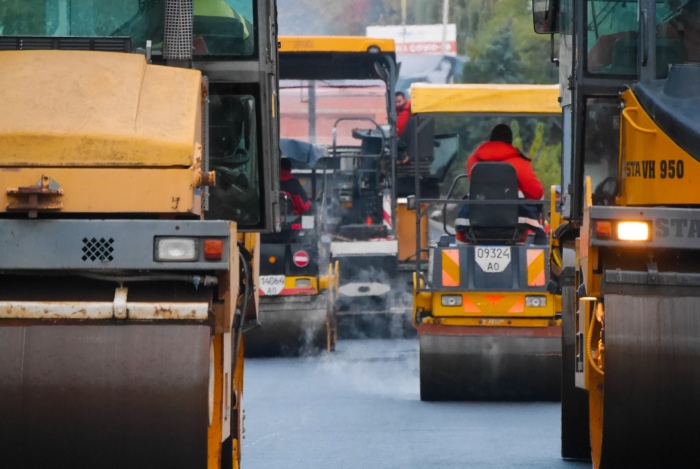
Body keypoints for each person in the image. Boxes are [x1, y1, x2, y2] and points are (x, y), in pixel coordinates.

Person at [455, 124, 546, 243]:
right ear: (510, 142)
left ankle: (462, 246)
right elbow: (536, 193)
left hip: (477, 223)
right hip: (513, 227)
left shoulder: (473, 160)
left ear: (491, 139)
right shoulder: (519, 162)